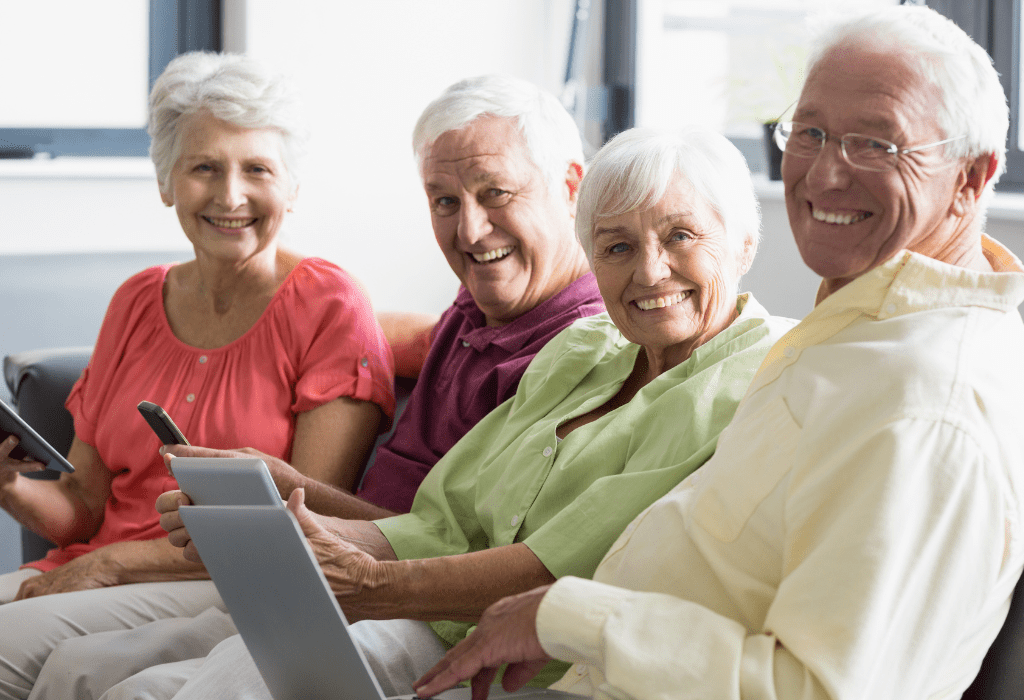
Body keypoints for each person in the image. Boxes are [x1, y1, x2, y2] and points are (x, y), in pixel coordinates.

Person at [412, 7, 1024, 700]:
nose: (823, 175)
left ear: (972, 179)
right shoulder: (856, 331)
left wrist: (573, 618)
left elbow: (819, 691)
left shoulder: (923, 406)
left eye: (876, 144)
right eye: (811, 133)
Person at [126, 125, 795, 700]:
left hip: (532, 657)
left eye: (680, 236)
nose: (650, 272)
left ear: (744, 244)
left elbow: (556, 566)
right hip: (421, 613)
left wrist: (371, 581)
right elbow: (446, 521)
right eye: (617, 247)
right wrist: (282, 518)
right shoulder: (585, 347)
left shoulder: (752, 382)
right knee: (139, 688)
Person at [3, 74, 609, 700]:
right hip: (329, 578)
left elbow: (462, 550)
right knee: (75, 672)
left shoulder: (587, 355)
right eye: (444, 202)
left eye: (496, 194)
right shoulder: (473, 312)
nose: (471, 232)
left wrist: (279, 487)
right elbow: (388, 335)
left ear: (570, 188)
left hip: (395, 597)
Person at [0, 51, 395, 695]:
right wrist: (10, 486)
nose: (230, 195)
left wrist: (114, 564)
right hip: (94, 566)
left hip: (226, 583)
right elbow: (81, 507)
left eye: (257, 169)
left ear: (292, 188)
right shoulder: (135, 300)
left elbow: (301, 529)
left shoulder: (330, 304)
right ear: (167, 183)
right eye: (204, 167)